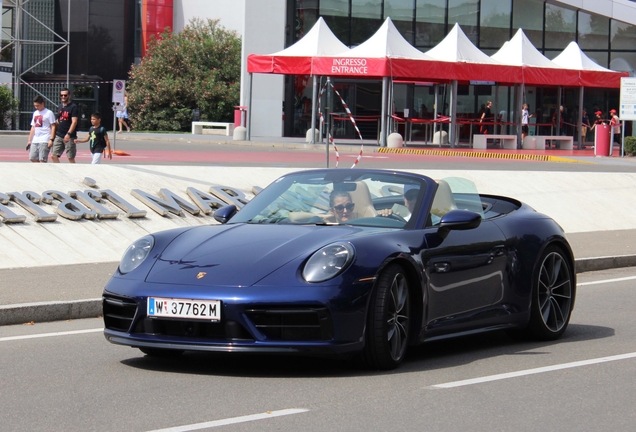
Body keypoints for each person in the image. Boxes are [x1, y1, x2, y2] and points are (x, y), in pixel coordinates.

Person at [51, 88, 80, 163]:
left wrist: (68, 134)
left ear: (69, 96)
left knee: (70, 157)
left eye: (65, 95)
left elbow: (74, 122)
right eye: (61, 95)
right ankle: (60, 172)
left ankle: (74, 173)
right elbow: (58, 120)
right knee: (54, 155)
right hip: (59, 135)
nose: (63, 97)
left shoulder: (73, 107)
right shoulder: (60, 106)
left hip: (69, 136)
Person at [26, 95, 57, 163]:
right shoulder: (35, 113)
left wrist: (51, 139)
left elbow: (53, 126)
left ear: (42, 103)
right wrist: (29, 140)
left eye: (37, 105)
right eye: (35, 106)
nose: (36, 107)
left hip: (45, 139)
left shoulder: (49, 113)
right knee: (32, 157)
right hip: (35, 139)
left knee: (42, 160)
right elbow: (33, 127)